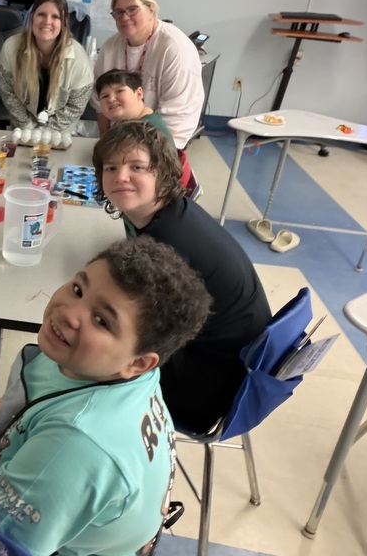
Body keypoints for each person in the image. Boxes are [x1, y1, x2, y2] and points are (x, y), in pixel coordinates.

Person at [0, 237, 212, 556]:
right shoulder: (106, 367)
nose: (69, 313)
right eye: (78, 289)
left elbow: (1, 547)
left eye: (101, 320)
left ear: (138, 362)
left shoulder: (76, 443)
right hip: (69, 491)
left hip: (44, 539)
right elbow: (40, 399)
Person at [93, 120, 272, 432]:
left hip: (206, 388)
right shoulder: (179, 212)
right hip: (231, 365)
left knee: (92, 351)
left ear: (162, 174)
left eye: (137, 167)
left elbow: (143, 328)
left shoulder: (165, 242)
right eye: (110, 168)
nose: (120, 177)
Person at [91, 0, 204, 147]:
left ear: (151, 9)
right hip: (122, 137)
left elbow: (175, 119)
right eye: (119, 12)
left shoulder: (175, 48)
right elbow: (101, 106)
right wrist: (105, 145)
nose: (125, 17)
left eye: (132, 9)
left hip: (164, 142)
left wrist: (143, 153)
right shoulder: (110, 48)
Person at [0, 0, 94, 133]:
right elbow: (9, 93)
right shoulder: (11, 47)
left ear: (63, 23)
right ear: (32, 18)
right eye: (41, 14)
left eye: (55, 17)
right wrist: (27, 128)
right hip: (22, 126)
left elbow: (76, 106)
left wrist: (45, 133)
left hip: (59, 130)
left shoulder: (78, 57)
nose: (47, 21)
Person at [96, 69, 193, 192]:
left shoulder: (144, 132)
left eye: (119, 91)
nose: (111, 99)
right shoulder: (144, 120)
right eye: (105, 96)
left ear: (139, 94)